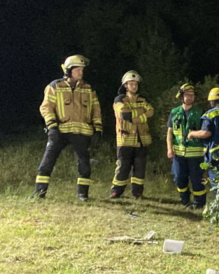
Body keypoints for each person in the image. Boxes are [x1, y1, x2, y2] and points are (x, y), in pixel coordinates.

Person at [31, 55, 102, 201]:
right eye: (78, 70)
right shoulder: (55, 86)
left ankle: (82, 194)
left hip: (81, 132)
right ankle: (39, 193)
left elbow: (96, 110)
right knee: (47, 162)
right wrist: (52, 127)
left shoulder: (89, 89)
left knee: (84, 164)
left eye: (82, 70)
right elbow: (46, 107)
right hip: (59, 131)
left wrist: (98, 129)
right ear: (69, 71)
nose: (81, 72)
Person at [110, 70, 154, 199]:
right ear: (125, 85)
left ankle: (137, 192)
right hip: (125, 140)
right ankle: (116, 191)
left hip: (142, 140)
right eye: (131, 84)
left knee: (140, 168)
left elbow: (151, 111)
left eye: (136, 84)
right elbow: (124, 115)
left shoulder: (143, 99)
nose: (134, 86)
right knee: (123, 167)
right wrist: (141, 112)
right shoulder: (119, 99)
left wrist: (136, 118)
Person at [166, 83, 207, 208]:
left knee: (197, 180)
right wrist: (169, 148)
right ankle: (184, 200)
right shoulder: (174, 112)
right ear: (181, 96)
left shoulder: (200, 112)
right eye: (187, 95)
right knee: (179, 178)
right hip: (178, 154)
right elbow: (169, 133)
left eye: (192, 95)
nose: (190, 97)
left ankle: (199, 203)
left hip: (196, 154)